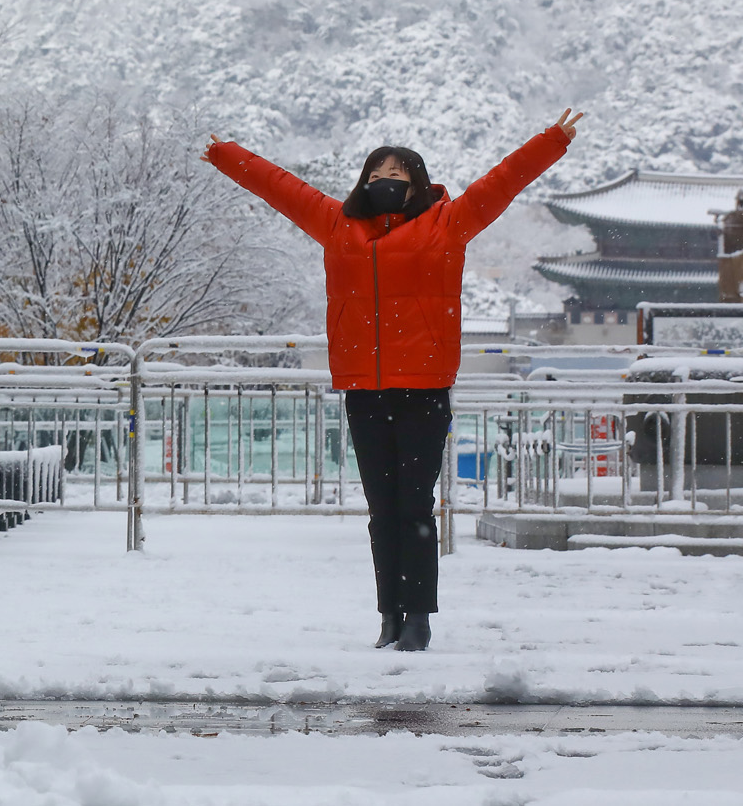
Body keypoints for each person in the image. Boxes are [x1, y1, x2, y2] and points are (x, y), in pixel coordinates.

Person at [204, 109, 582, 653]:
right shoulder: (338, 225)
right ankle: (388, 614)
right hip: (363, 387)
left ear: (418, 184)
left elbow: (502, 183)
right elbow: (281, 188)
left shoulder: (447, 223)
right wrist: (226, 155)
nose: (388, 179)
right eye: (378, 171)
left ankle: (419, 619)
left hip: (423, 387)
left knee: (415, 507)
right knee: (383, 510)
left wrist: (552, 140)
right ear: (364, 181)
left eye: (399, 173)